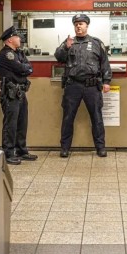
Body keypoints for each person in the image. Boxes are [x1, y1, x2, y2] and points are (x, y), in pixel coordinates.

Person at [54, 13, 112, 158]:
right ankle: (65, 148)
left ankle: (100, 147)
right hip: (72, 85)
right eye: (76, 24)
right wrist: (66, 48)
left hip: (92, 86)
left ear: (87, 25)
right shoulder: (68, 42)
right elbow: (59, 58)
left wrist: (106, 82)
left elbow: (105, 63)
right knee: (68, 118)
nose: (78, 26)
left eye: (81, 23)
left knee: (97, 118)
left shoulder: (97, 43)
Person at [0, 26, 38, 165]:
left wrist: (24, 68)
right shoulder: (5, 55)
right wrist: (23, 68)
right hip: (10, 94)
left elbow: (29, 68)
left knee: (22, 122)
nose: (20, 39)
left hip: (20, 93)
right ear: (10, 39)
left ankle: (21, 150)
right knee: (11, 124)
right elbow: (21, 68)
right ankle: (8, 153)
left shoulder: (19, 53)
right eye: (17, 37)